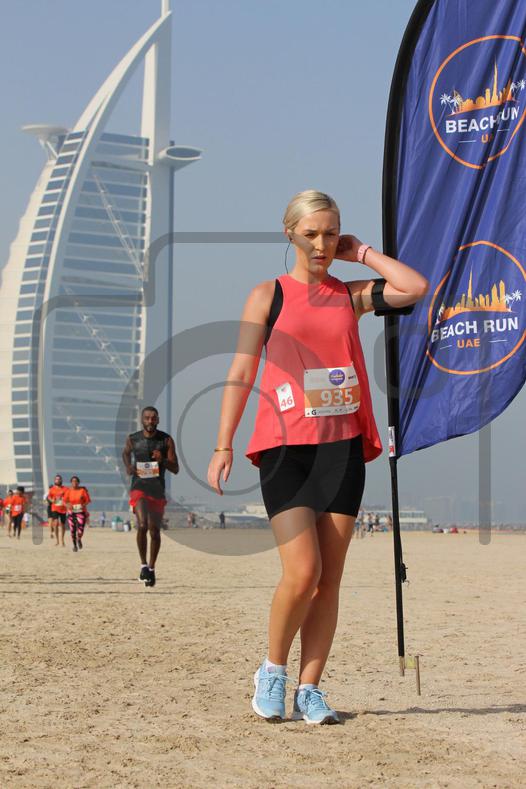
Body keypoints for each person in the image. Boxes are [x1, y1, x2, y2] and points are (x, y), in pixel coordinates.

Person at [207, 190, 428, 724]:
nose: (322, 244)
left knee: (329, 579)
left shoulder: (349, 296)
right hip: (284, 448)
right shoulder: (268, 295)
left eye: (331, 233)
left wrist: (364, 252)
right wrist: (223, 443)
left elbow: (415, 288)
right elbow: (242, 371)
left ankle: (310, 689)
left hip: (341, 449)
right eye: (311, 234)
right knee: (303, 572)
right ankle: (272, 670)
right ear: (289, 235)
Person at [122, 406, 179, 588]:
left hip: (157, 489)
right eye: (147, 418)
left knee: (154, 531)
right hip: (139, 487)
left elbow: (175, 468)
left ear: (158, 420)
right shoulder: (133, 439)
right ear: (142, 420)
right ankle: (143, 565)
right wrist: (128, 467)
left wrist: (162, 460)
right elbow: (125, 453)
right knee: (142, 525)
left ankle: (152, 568)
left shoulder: (166, 440)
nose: (150, 421)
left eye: (153, 418)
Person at [64, 476, 91, 552]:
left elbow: (88, 500)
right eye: (73, 481)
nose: (74, 482)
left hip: (81, 512)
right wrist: (68, 505)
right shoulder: (68, 491)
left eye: (76, 481)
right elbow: (64, 501)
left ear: (78, 482)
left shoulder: (82, 490)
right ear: (71, 482)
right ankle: (75, 546)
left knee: (80, 530)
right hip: (71, 512)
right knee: (72, 530)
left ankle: (79, 539)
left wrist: (83, 505)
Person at [48, 475, 68, 547]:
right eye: (56, 479)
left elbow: (68, 497)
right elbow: (49, 497)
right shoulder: (52, 489)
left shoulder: (65, 489)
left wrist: (65, 500)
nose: (58, 480)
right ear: (54, 480)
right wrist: (52, 500)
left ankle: (62, 540)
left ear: (61, 480)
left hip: (63, 509)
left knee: (62, 525)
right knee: (56, 523)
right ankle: (57, 541)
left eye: (59, 479)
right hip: (54, 508)